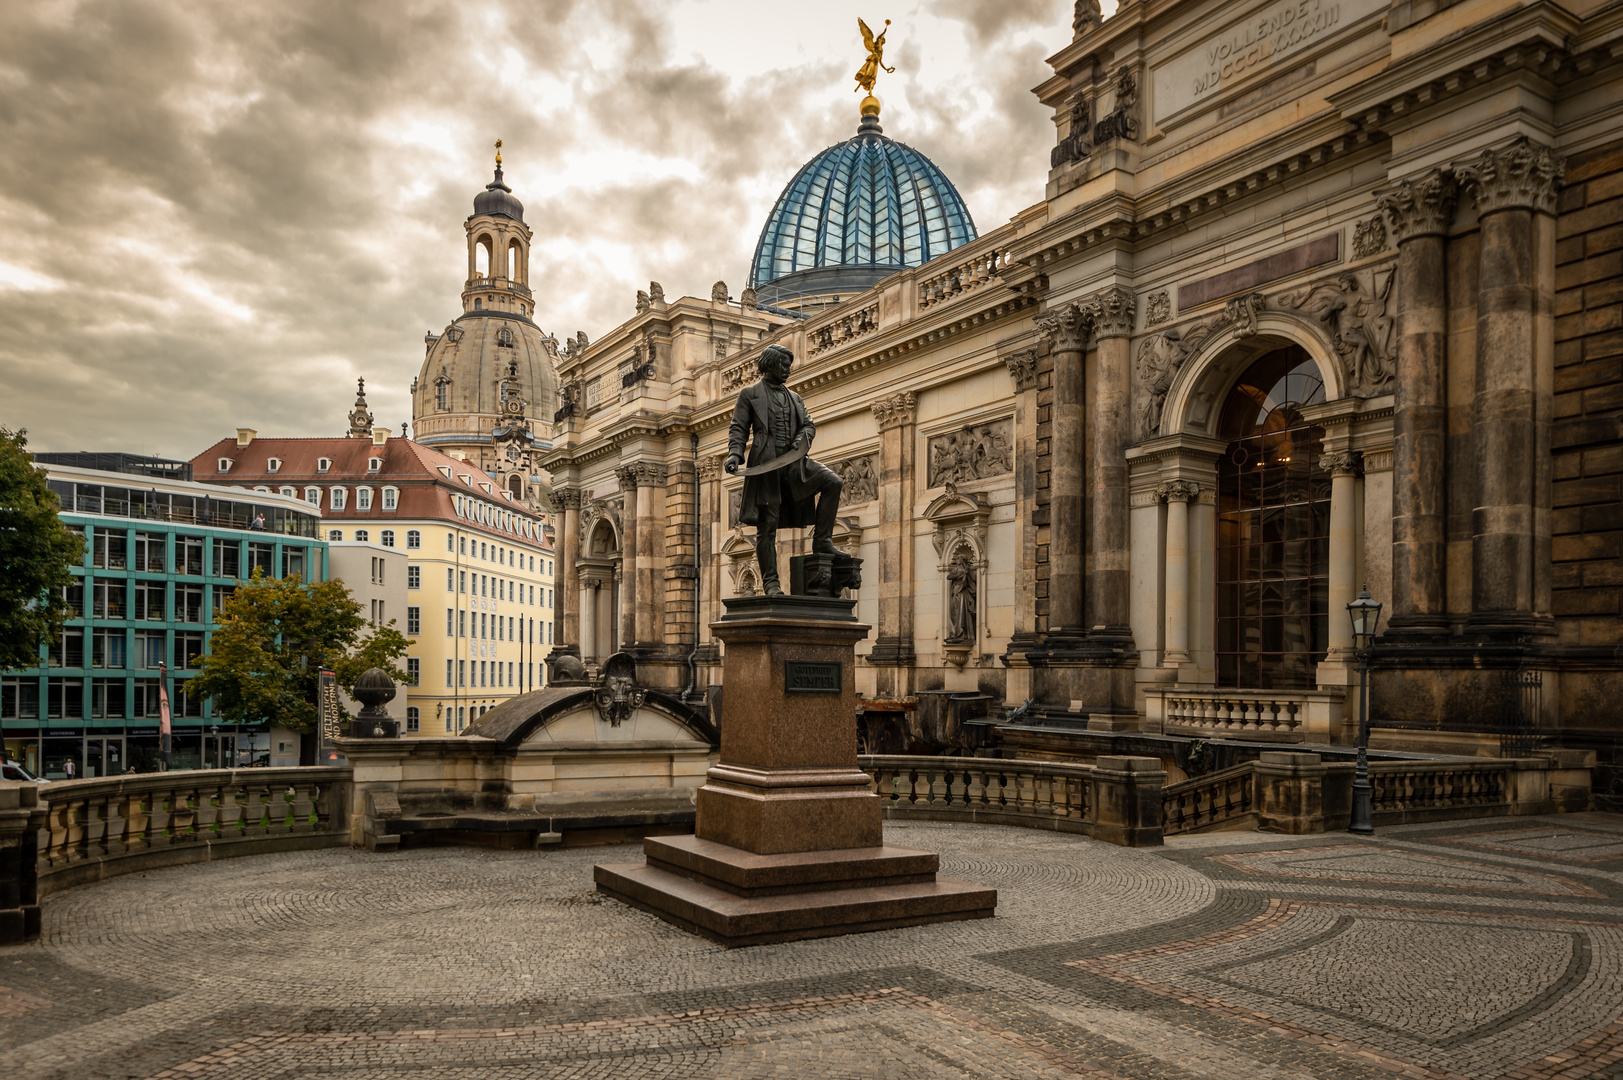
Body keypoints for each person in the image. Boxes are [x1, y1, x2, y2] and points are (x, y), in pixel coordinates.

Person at [724, 345, 843, 596]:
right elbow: (738, 428)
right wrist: (735, 454)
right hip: (766, 466)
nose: (789, 370)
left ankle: (822, 540)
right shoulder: (749, 394)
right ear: (770, 365)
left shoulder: (795, 397)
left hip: (794, 463)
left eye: (789, 365)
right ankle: (771, 583)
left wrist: (803, 438)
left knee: (833, 482)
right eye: (784, 365)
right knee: (767, 526)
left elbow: (809, 426)